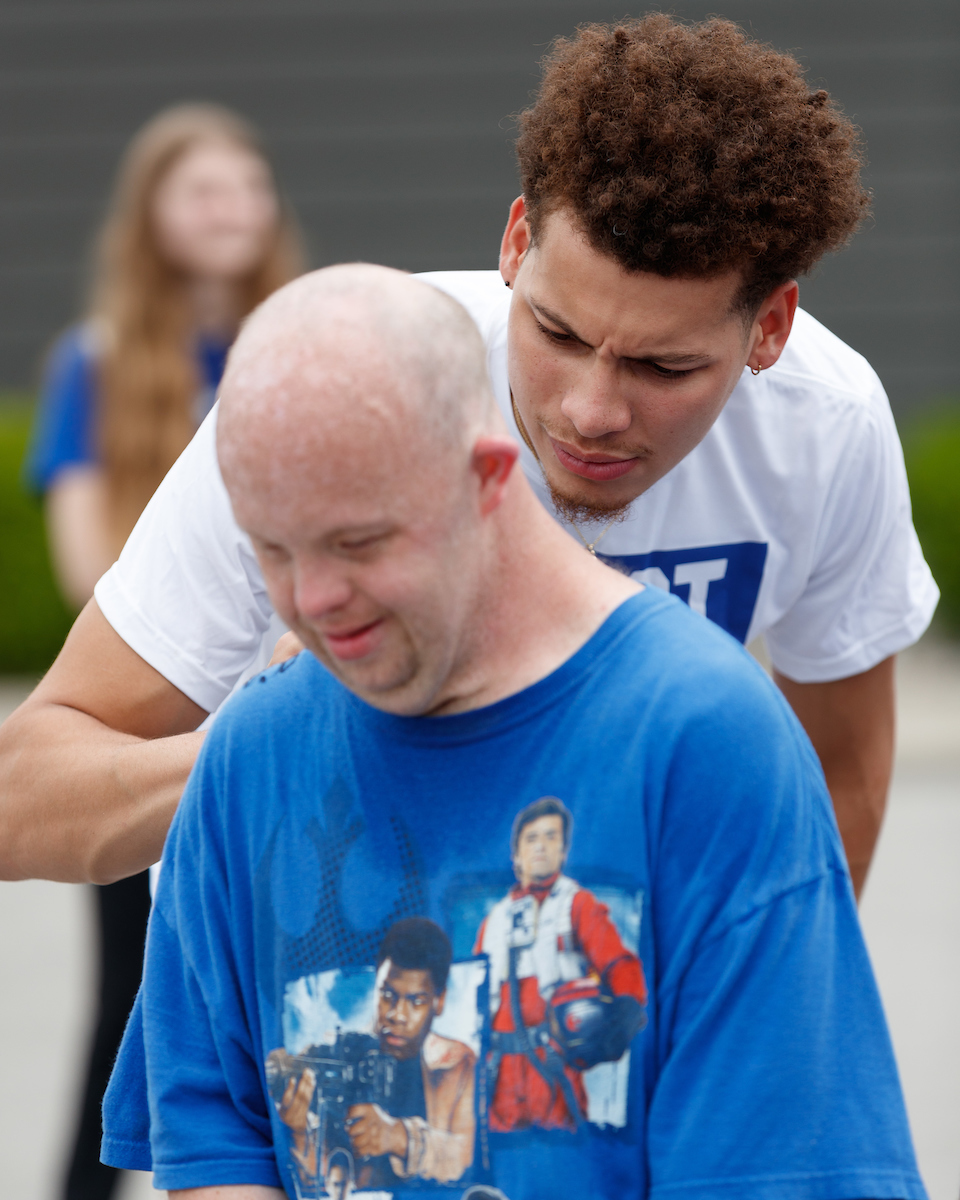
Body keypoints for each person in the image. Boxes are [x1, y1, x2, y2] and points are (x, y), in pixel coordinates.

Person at [0, 16, 938, 899]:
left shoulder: (828, 424)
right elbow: (25, 794)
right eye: (558, 332)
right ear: (517, 243)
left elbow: (839, 780)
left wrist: (752, 1018)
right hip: (308, 992)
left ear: (769, 327)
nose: (591, 410)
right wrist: (283, 750)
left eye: (665, 365)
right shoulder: (344, 383)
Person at [99, 265, 925, 1200]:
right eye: (273, 548)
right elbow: (216, 1138)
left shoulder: (708, 733)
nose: (314, 600)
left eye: (361, 542)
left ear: (487, 479)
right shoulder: (246, 753)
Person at [21, 102, 303, 1200]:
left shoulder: (309, 341)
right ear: (152, 215)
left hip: (297, 704)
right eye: (204, 189)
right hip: (155, 727)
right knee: (132, 1004)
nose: (233, 208)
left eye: (249, 185)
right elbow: (84, 561)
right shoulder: (94, 363)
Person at [474, 797, 647, 1131]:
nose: (541, 846)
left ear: (564, 851)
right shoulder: (493, 921)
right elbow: (470, 994)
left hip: (554, 1068)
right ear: (516, 857)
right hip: (500, 1078)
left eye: (551, 837)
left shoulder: (577, 905)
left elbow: (620, 964)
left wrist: (625, 1013)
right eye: (532, 838)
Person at [268, 918, 475, 1189]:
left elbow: (465, 1158)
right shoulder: (336, 1056)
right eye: (387, 994)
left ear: (440, 1001)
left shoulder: (456, 1063)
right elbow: (315, 1185)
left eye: (416, 1001)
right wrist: (298, 1133)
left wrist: (396, 1136)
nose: (396, 1014)